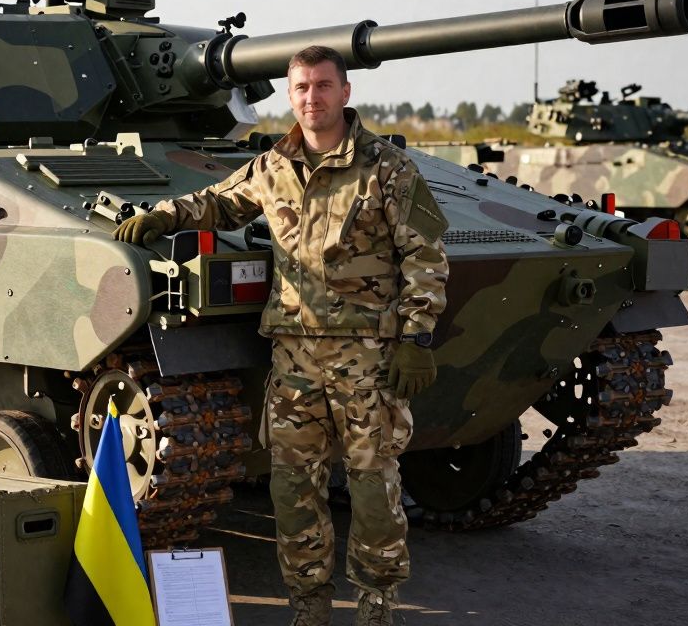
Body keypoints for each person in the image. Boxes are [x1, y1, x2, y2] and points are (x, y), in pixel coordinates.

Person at [113, 45, 449, 626]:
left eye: (323, 86)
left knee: (373, 489)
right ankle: (309, 607)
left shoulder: (386, 168)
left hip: (367, 357)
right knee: (293, 491)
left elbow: (425, 255)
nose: (312, 98)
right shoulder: (274, 166)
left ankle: (376, 606)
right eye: (301, 88)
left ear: (345, 93)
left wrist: (417, 338)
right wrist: (164, 215)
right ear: (290, 96)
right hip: (295, 358)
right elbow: (219, 202)